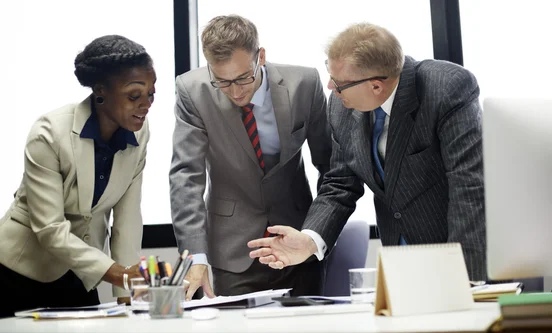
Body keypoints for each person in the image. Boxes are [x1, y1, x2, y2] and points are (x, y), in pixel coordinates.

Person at [248, 23, 487, 281]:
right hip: (401, 261)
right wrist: (310, 240)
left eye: (339, 83)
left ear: (376, 86)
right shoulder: (341, 107)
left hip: (457, 253)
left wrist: (467, 279)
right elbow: (340, 184)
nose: (330, 86)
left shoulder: (446, 88)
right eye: (330, 72)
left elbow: (468, 185)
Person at [170, 14, 331, 299]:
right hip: (233, 252)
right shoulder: (192, 92)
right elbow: (186, 178)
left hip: (298, 243)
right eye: (222, 81)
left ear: (261, 57)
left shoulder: (304, 84)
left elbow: (331, 168)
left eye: (244, 77)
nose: (235, 91)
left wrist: (314, 233)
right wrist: (196, 258)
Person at [0, 35, 156, 317]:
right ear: (100, 92)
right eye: (134, 95)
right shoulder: (49, 133)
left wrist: (127, 297)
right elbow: (49, 229)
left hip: (80, 273)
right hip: (18, 272)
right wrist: (118, 274)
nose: (146, 104)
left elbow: (127, 220)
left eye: (151, 94)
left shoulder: (139, 133)